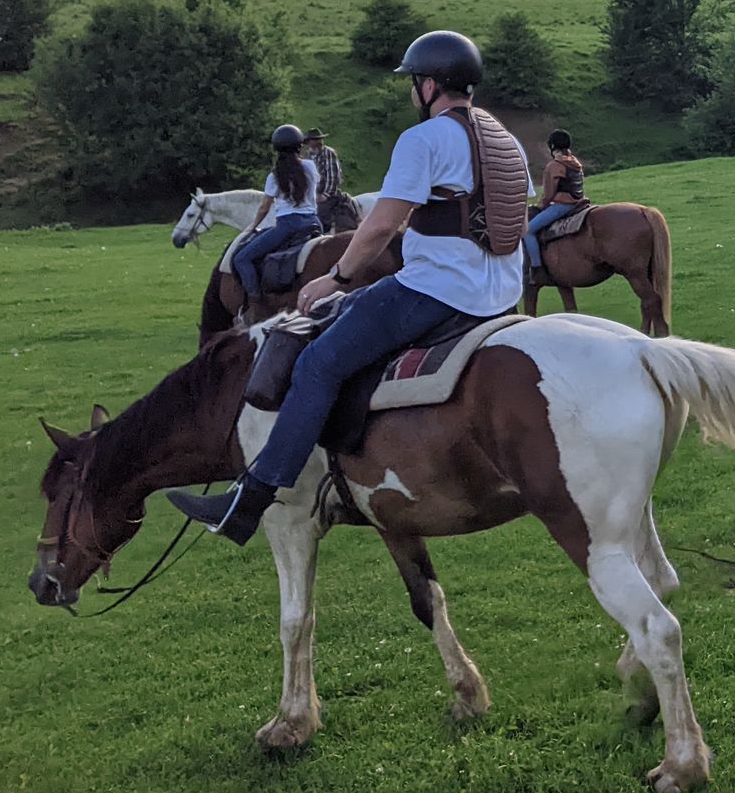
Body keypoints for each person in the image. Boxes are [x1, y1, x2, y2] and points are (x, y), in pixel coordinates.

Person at [169, 30, 527, 546]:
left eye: (414, 82)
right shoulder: (503, 138)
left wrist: (334, 276)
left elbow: (381, 225)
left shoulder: (423, 139)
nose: (412, 92)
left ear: (430, 85)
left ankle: (250, 502)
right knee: (349, 312)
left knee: (318, 362)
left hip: (440, 292)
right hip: (502, 294)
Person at [231, 125, 322, 310]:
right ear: (299, 146)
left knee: (242, 258)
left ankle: (256, 306)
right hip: (314, 223)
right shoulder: (310, 167)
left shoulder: (274, 176)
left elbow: (265, 206)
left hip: (287, 226)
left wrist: (253, 225)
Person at [526, 129, 588, 273]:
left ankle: (536, 268)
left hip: (563, 206)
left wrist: (540, 206)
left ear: (552, 147)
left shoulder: (554, 166)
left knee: (528, 231)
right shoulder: (575, 162)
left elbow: (548, 195)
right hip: (579, 203)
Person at [303, 127, 361, 233]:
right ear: (309, 142)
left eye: (319, 139)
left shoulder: (329, 153)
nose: (318, 142)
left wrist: (324, 194)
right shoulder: (307, 156)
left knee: (322, 213)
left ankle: (326, 233)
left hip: (328, 193)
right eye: (315, 140)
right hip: (313, 194)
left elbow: (333, 177)